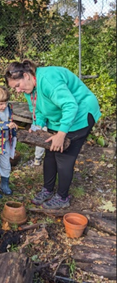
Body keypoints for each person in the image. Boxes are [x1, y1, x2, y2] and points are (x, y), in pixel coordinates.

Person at [5, 59, 101, 209]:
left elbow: (70, 105)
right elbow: (38, 110)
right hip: (60, 118)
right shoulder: (29, 89)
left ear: (26, 75)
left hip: (80, 115)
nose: (17, 90)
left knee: (63, 155)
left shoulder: (48, 80)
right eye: (14, 88)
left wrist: (61, 135)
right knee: (50, 153)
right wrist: (38, 126)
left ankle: (63, 197)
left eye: (17, 85)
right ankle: (48, 190)